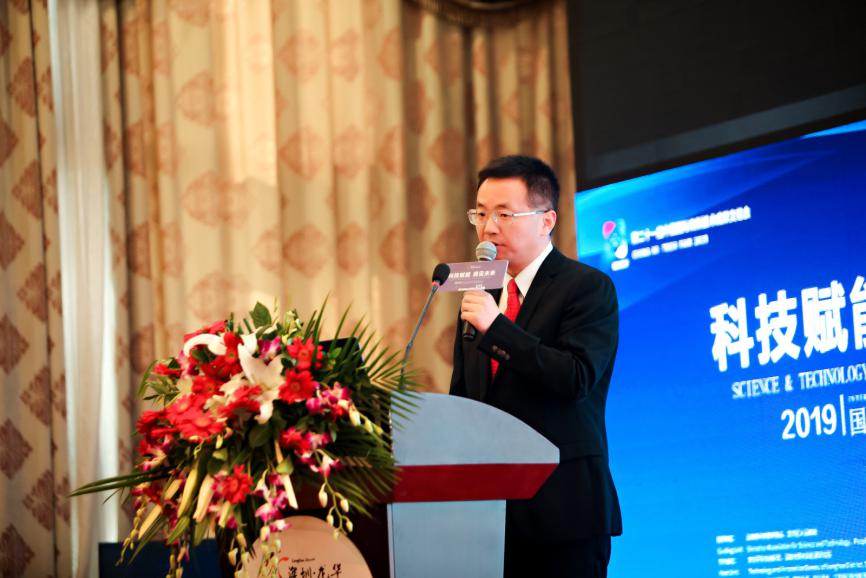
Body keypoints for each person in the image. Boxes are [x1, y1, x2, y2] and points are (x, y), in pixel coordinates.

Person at [450, 155, 622, 577]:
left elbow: (575, 377)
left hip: (564, 514)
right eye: (481, 214)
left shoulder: (587, 287)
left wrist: (497, 329)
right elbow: (463, 401)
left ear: (546, 221)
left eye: (504, 214)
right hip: (490, 519)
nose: (489, 228)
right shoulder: (481, 299)